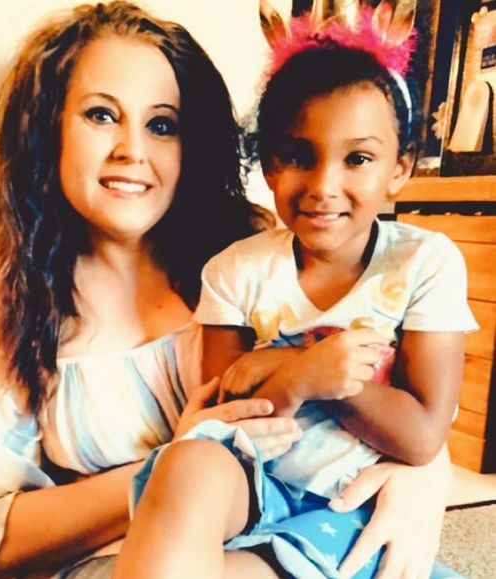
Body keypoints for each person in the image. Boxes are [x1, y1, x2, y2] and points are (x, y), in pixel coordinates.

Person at [0, 2, 454, 578]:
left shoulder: (251, 250)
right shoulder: (16, 298)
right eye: (101, 115)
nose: (132, 151)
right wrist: (170, 467)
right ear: (47, 127)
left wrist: (424, 476)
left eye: (161, 125)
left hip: (275, 539)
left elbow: (369, 378)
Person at [113, 7, 476, 579]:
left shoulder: (424, 263)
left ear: (399, 167)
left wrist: (300, 369)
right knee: (189, 463)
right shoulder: (235, 271)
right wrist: (303, 374)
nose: (324, 186)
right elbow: (225, 420)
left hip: (354, 509)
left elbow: (422, 437)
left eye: (358, 159)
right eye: (298, 156)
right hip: (257, 488)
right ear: (268, 165)